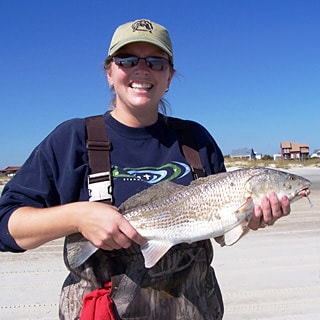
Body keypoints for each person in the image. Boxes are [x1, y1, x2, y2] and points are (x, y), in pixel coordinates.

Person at [0, 19, 290, 319]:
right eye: (127, 60)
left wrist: (249, 219)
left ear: (170, 76)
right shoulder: (73, 139)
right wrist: (77, 216)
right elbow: (6, 225)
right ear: (109, 73)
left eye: (156, 62)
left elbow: (220, 231)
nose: (142, 69)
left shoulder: (196, 140)